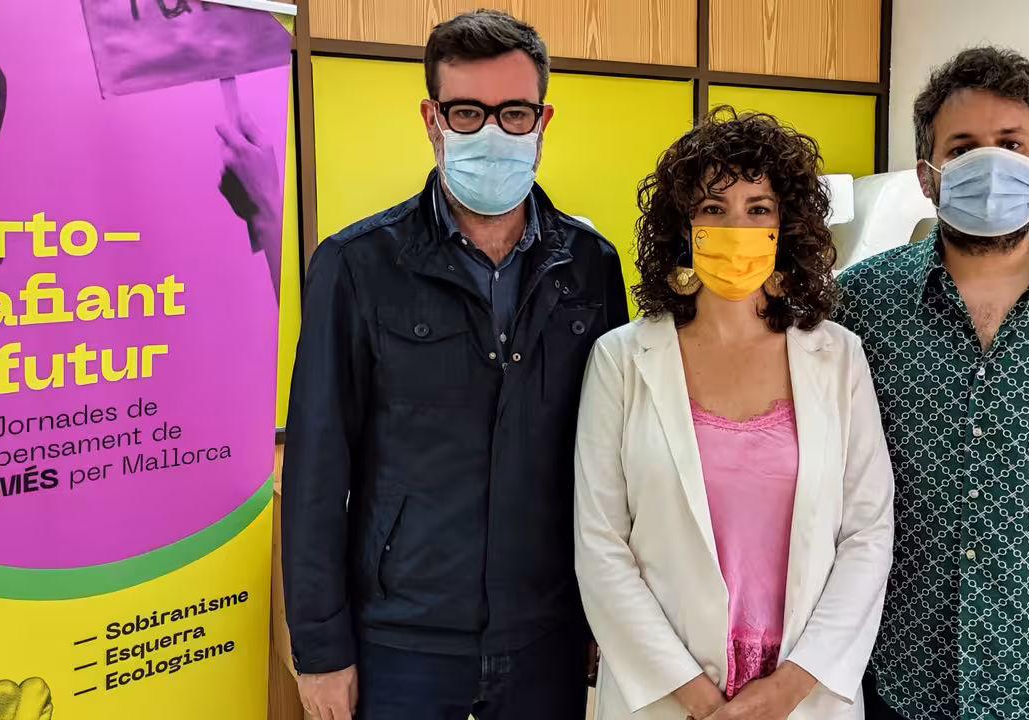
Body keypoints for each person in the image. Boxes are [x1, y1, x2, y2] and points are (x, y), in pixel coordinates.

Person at [281, 9, 629, 720]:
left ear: (543, 121)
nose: (492, 133)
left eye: (514, 112)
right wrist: (319, 649)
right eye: (468, 112)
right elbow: (317, 468)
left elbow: (613, 458)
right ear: (432, 120)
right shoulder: (356, 266)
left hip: (547, 635)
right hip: (401, 641)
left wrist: (605, 619)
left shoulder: (591, 267)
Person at [835, 47, 1029, 720]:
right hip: (898, 675)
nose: (992, 163)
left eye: (1010, 144)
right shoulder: (860, 306)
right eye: (964, 148)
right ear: (927, 176)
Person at [574, 106, 894, 720]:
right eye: (713, 208)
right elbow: (601, 545)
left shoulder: (838, 357)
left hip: (801, 694)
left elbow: (867, 533)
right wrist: (698, 698)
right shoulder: (622, 360)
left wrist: (788, 688)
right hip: (668, 698)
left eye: (759, 209)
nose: (736, 227)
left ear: (786, 226)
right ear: (683, 226)